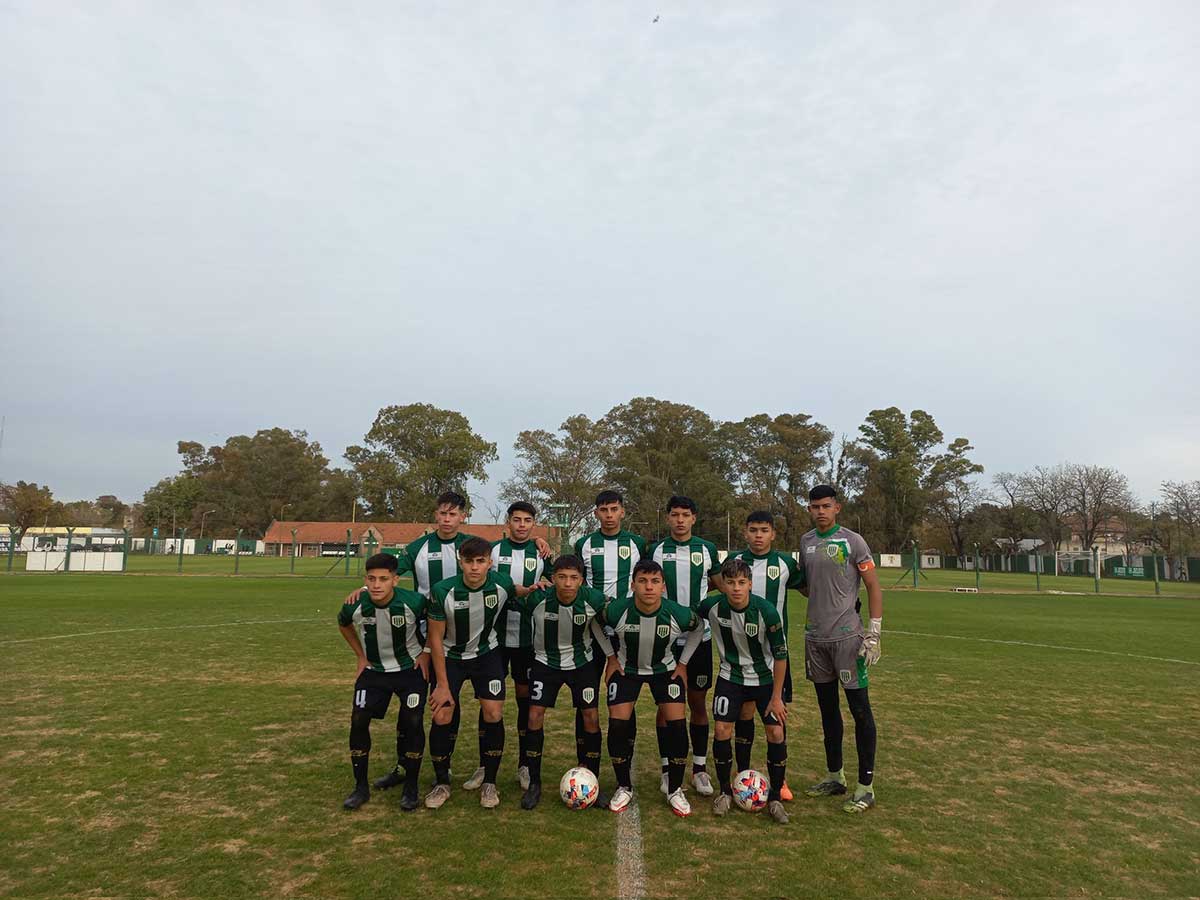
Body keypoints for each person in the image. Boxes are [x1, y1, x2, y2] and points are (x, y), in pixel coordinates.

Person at [368, 492, 549, 792]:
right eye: (442, 513)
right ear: (436, 515)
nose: (447, 519)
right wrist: (366, 587)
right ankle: (411, 765)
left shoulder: (477, 544)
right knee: (423, 703)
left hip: (485, 639)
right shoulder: (418, 549)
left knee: (496, 705)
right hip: (430, 637)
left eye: (453, 514)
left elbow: (513, 569)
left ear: (463, 516)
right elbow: (387, 575)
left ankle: (495, 769)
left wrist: (538, 541)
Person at [798, 485, 883, 814]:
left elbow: (874, 585)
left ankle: (866, 786)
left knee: (860, 710)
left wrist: (873, 633)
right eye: (814, 506)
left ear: (837, 508)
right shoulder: (805, 542)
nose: (820, 511)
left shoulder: (853, 541)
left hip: (848, 639)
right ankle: (836, 776)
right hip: (815, 640)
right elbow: (809, 587)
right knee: (827, 711)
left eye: (825, 506)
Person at [688, 557, 790, 823]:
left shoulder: (766, 611)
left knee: (776, 731)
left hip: (764, 680)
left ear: (750, 584)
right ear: (722, 584)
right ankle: (725, 792)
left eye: (741, 582)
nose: (735, 588)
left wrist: (777, 698)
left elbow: (781, 656)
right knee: (722, 729)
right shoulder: (712, 606)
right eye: (730, 582)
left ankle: (776, 797)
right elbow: (687, 617)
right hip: (730, 678)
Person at [457, 502, 548, 795]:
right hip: (493, 642)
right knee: (489, 705)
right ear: (507, 522)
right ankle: (486, 765)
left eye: (528, 520)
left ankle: (524, 763)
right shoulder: (492, 551)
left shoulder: (543, 552)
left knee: (526, 702)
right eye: (517, 520)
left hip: (528, 641)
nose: (522, 525)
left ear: (534, 524)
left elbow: (559, 579)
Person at [602, 559, 701, 816]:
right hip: (627, 670)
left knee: (678, 726)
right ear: (632, 585)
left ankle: (675, 789)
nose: (649, 587)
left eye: (655, 581)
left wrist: (683, 663)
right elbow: (594, 622)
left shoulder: (676, 612)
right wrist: (610, 657)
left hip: (665, 671)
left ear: (663, 586)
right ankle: (624, 786)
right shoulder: (617, 610)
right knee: (617, 724)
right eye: (643, 581)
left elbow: (699, 627)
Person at [424, 537, 517, 809]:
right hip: (451, 657)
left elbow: (518, 590)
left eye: (480, 562)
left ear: (490, 562)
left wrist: (537, 586)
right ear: (460, 561)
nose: (474, 568)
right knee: (442, 713)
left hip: (487, 655)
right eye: (469, 561)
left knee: (494, 712)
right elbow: (436, 639)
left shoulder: (502, 584)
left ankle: (489, 781)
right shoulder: (443, 591)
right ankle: (442, 782)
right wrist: (441, 684)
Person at [516, 554, 615, 809]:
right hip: (544, 662)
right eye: (562, 577)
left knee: (591, 717)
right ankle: (534, 782)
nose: (567, 583)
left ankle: (592, 779)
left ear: (581, 580)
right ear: (553, 579)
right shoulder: (537, 599)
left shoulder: (593, 599)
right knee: (534, 715)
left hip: (582, 664)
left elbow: (618, 613)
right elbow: (508, 598)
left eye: (573, 578)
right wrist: (529, 587)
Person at [336, 553, 430, 811]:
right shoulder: (354, 605)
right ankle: (360, 788)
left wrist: (426, 652)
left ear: (395, 580)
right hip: (374, 672)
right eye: (372, 579)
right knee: (358, 719)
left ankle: (411, 786)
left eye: (384, 579)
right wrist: (360, 655)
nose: (377, 585)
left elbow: (436, 621)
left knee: (412, 721)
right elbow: (343, 624)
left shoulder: (414, 602)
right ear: (365, 580)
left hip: (410, 671)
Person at [724, 511, 805, 800]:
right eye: (753, 530)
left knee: (776, 717)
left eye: (764, 530)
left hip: (775, 656)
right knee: (744, 715)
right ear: (745, 532)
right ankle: (742, 774)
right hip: (741, 656)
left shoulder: (785, 564)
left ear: (773, 534)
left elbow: (809, 588)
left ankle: (779, 781)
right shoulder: (734, 562)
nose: (758, 535)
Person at [648, 495, 720, 796]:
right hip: (664, 641)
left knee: (698, 703)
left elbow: (717, 582)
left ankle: (700, 769)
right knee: (667, 707)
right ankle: (667, 768)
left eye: (685, 515)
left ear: (694, 518)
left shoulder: (707, 549)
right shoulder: (655, 550)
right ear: (667, 518)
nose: (680, 520)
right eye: (674, 514)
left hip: (699, 640)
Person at [573, 490, 647, 769]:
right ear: (596, 514)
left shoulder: (638, 543)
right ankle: (586, 765)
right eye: (603, 510)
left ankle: (624, 761)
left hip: (627, 631)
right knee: (586, 698)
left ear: (623, 512)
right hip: (591, 631)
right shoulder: (583, 544)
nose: (609, 515)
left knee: (626, 697)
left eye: (614, 509)